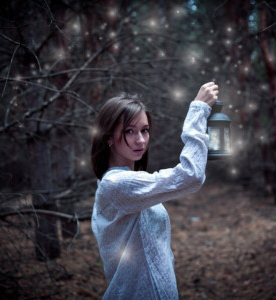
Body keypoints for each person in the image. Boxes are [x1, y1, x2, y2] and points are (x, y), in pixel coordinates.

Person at [90, 82, 218, 299]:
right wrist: (198, 110)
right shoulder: (117, 185)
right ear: (109, 137)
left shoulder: (126, 183)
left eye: (145, 130)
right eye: (129, 131)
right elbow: (191, 176)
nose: (140, 140)